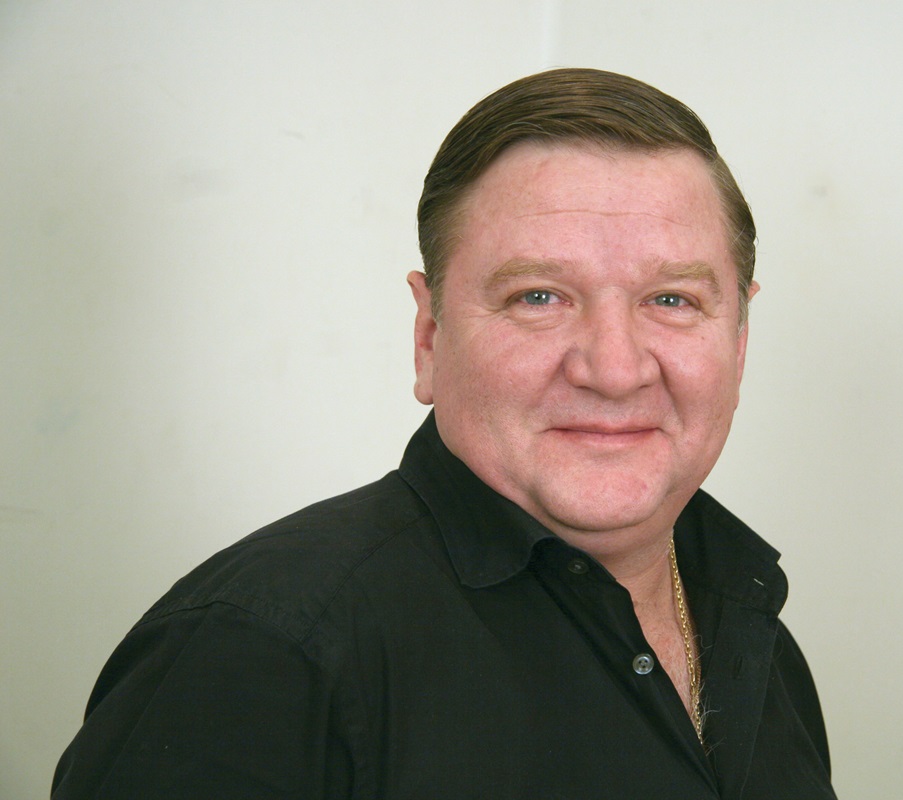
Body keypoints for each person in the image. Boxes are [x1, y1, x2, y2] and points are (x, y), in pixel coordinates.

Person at [51, 68, 837, 799]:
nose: (613, 368)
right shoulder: (260, 655)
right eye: (538, 296)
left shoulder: (755, 640)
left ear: (738, 341)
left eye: (671, 301)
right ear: (429, 337)